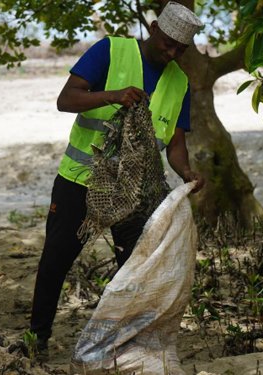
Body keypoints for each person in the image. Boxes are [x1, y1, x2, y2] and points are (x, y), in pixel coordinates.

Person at [30, 1, 206, 353]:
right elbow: (66, 100)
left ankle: (123, 342)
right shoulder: (111, 50)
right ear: (154, 29)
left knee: (135, 268)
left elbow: (174, 142)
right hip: (81, 181)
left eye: (179, 50)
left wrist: (186, 172)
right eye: (167, 43)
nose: (171, 53)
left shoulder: (179, 83)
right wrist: (113, 95)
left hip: (135, 191)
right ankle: (36, 339)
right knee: (55, 262)